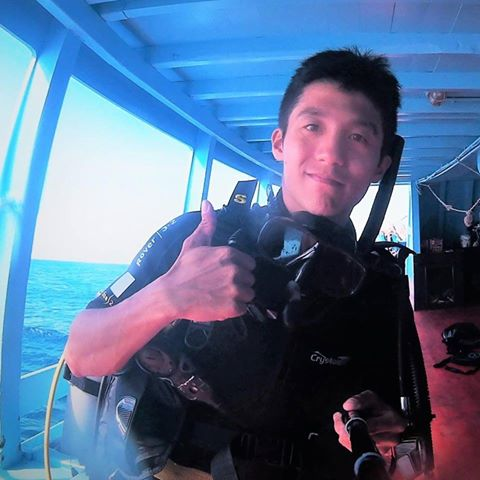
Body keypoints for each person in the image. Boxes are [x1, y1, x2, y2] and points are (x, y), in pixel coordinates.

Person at [65, 48, 411, 479]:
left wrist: (389, 431)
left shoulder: (379, 285)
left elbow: (403, 437)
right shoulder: (200, 236)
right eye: (313, 127)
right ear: (279, 143)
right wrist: (169, 297)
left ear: (380, 165)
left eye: (358, 137)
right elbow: (82, 355)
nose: (331, 153)